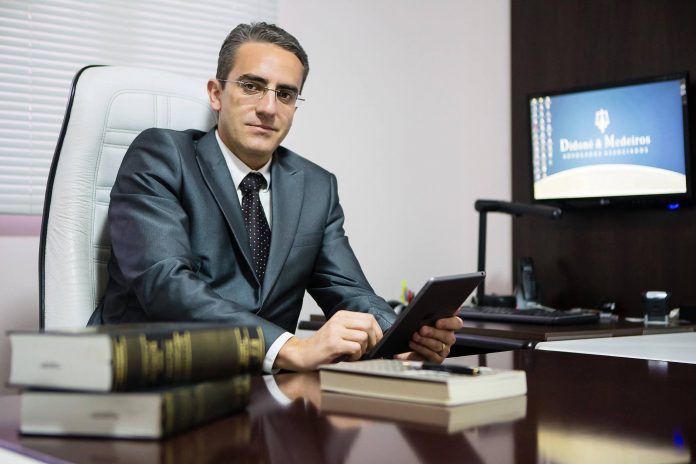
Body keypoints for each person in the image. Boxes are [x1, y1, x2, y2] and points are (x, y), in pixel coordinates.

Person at [89, 22, 463, 371]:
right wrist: (289, 347)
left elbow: (350, 291)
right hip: (144, 375)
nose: (269, 108)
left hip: (260, 388)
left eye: (285, 94)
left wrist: (401, 339)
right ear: (216, 94)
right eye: (252, 86)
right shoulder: (161, 156)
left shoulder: (315, 186)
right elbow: (165, 284)